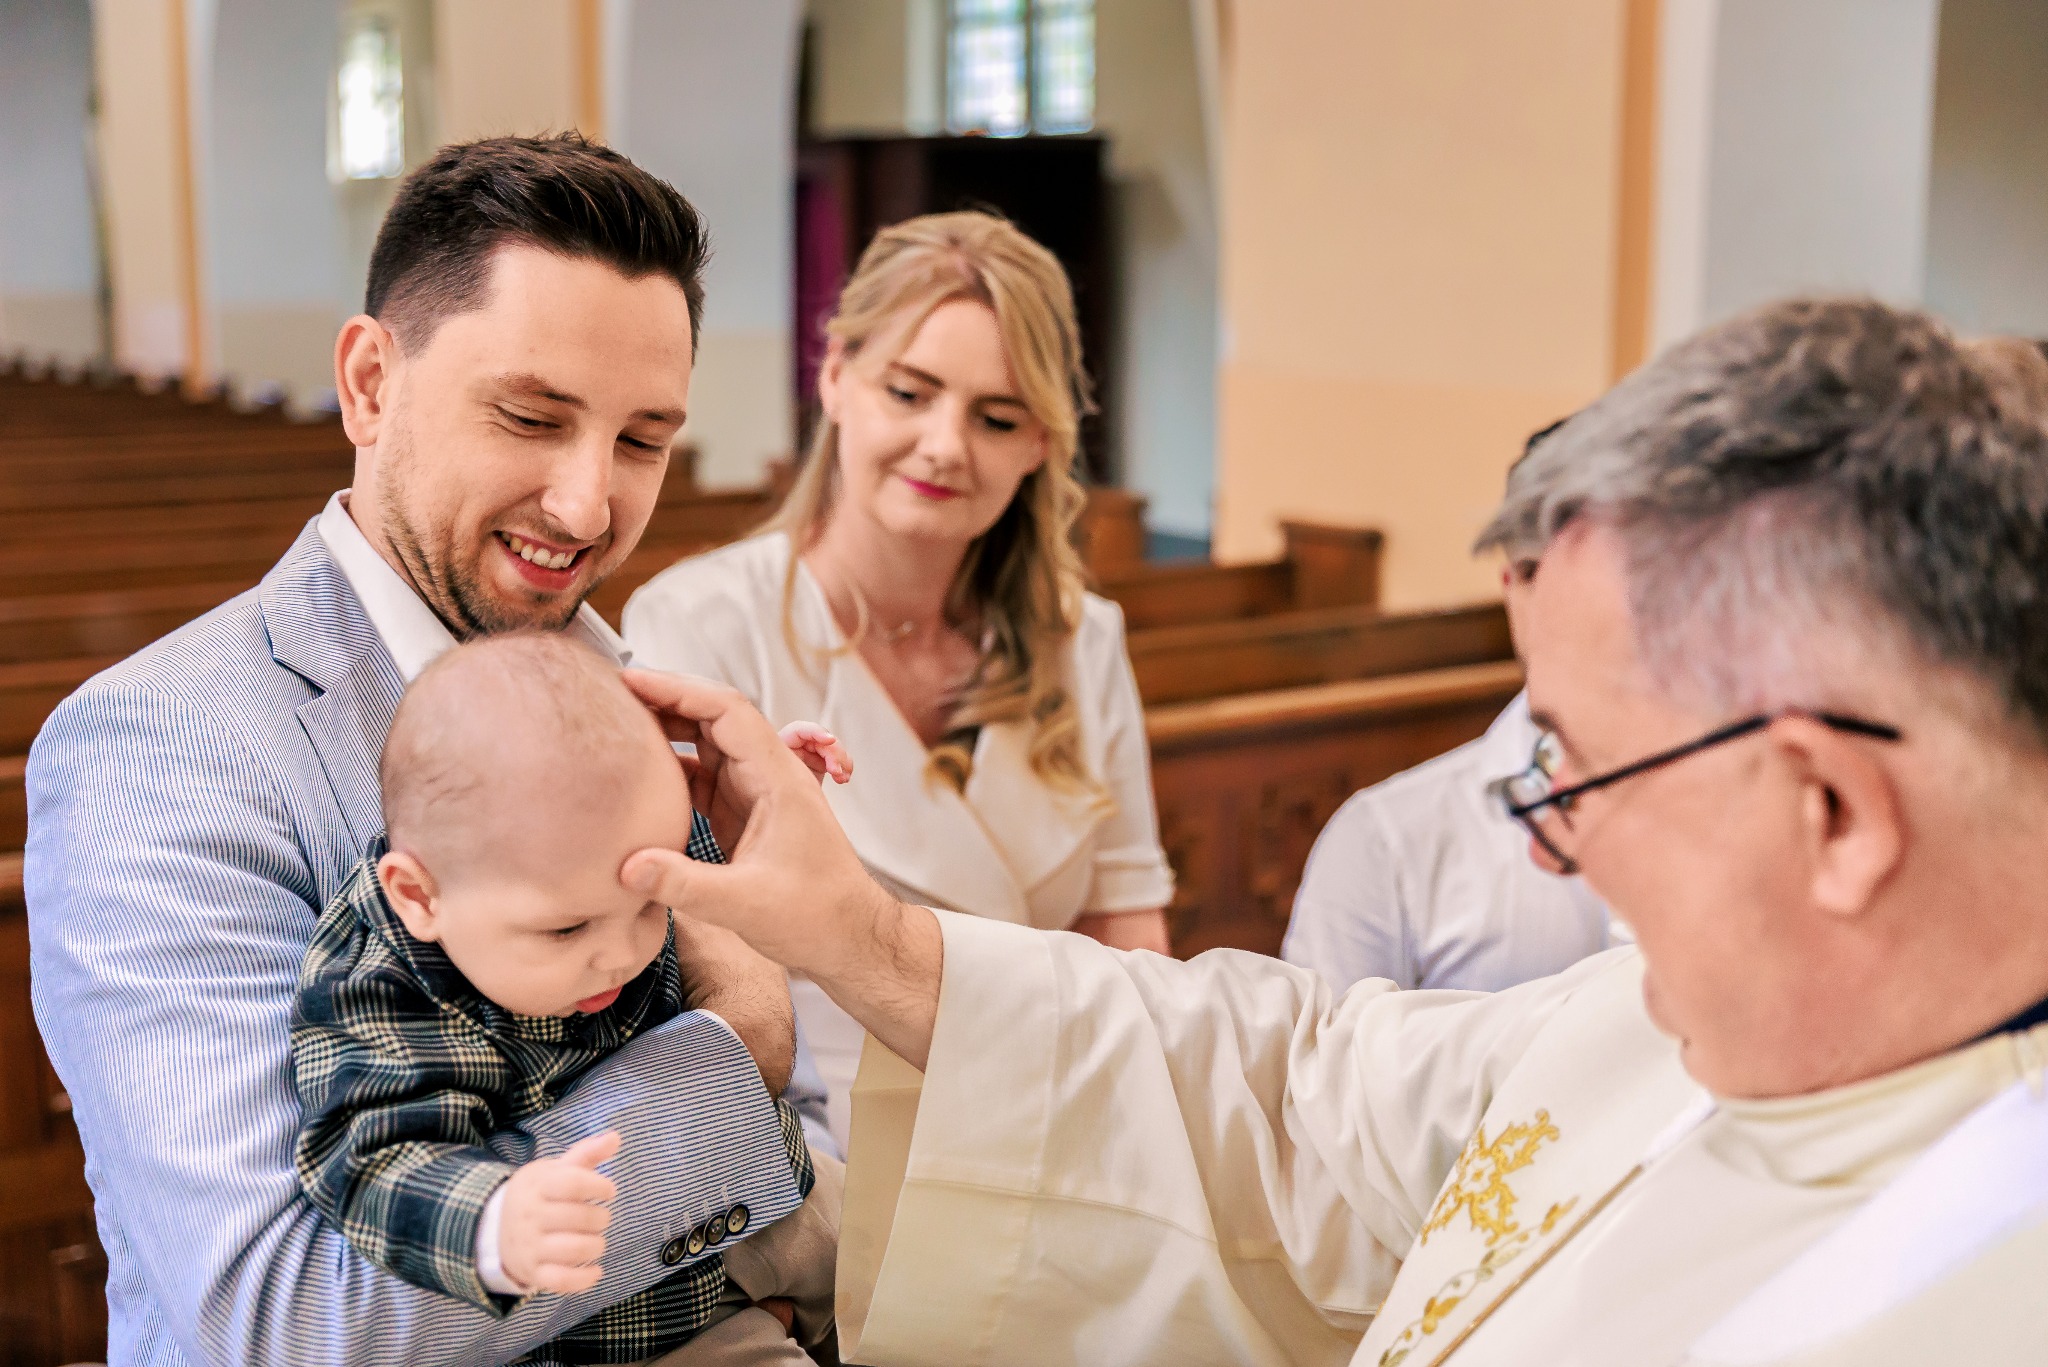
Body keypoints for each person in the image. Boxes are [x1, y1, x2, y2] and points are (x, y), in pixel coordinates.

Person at [618, 299, 2048, 1365]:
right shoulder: (1660, 1016)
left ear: (1834, 813)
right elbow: (1304, 1090)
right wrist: (870, 939)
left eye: (1582, 768)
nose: (1554, 845)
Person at [26, 135, 819, 1366]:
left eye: (640, 440)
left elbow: (809, 1131)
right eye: (530, 416)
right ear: (369, 383)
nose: (586, 505)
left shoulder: (644, 707)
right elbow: (283, 1320)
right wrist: (733, 1052)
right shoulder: (164, 746)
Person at [623, 211, 1175, 1150]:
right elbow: (688, 969)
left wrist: (1127, 1133)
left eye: (996, 417)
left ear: (1041, 442)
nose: (945, 446)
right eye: (910, 392)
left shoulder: (1083, 639)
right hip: (820, 1142)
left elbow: (1129, 931)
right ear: (836, 377)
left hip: (1051, 1115)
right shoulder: (702, 624)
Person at [292, 633, 848, 1365]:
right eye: (566, 928)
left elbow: (680, 847)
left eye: (649, 904)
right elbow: (370, 1159)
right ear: (417, 895)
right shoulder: (380, 985)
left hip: (765, 1172)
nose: (623, 952)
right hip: (610, 1317)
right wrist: (490, 1222)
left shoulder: (573, 865)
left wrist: (756, 803)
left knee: (941, 1260)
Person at [1281, 568, 1616, 993]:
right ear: (1512, 585)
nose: (1568, 608)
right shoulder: (1384, 839)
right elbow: (1322, 1054)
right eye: (1538, 571)